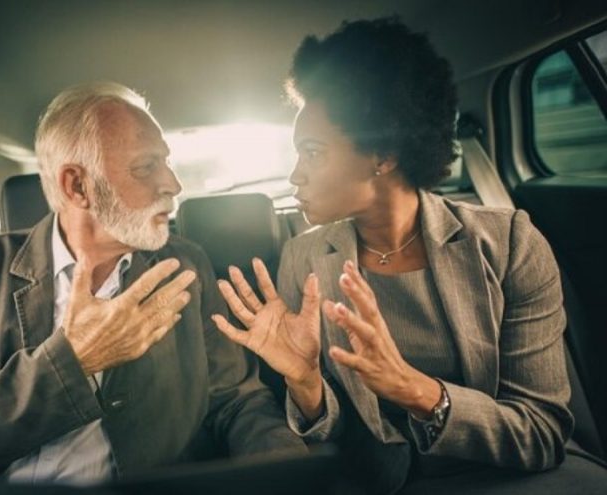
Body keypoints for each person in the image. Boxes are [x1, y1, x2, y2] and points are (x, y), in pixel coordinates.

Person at [213, 17, 607, 494]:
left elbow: (542, 434)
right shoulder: (303, 257)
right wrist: (305, 381)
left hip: (517, 474)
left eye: (313, 152)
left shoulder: (510, 244)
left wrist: (415, 390)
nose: (295, 175)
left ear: (383, 154)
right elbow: (334, 440)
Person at [0, 82, 305, 484]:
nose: (173, 184)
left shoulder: (184, 264)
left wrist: (292, 475)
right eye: (146, 166)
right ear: (78, 186)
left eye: (167, 161)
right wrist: (70, 363)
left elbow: (237, 401)